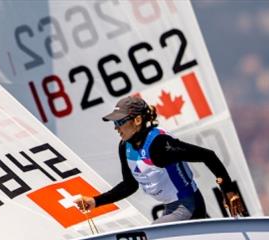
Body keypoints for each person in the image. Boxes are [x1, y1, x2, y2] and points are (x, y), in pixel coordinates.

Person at [74, 95, 248, 223]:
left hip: (189, 207)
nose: (116, 128)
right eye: (114, 123)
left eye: (120, 122)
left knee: (148, 237)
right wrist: (95, 201)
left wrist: (228, 190)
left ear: (137, 120)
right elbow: (130, 185)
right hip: (170, 209)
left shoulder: (160, 145)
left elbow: (207, 155)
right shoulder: (124, 146)